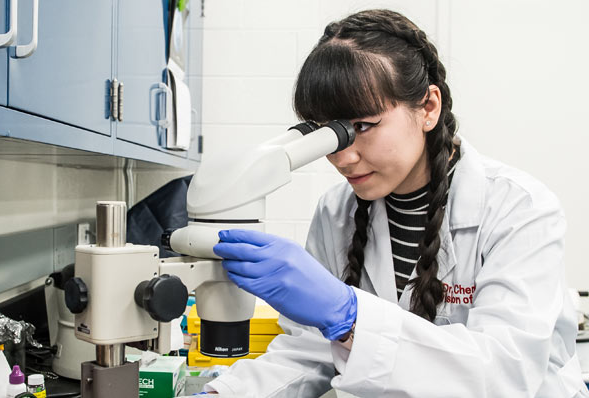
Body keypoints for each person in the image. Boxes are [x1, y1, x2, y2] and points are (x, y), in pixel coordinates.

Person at [201, 9, 589, 398]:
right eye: (328, 135)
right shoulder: (336, 213)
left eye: (364, 126)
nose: (342, 156)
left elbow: (503, 374)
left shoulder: (518, 208)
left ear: (428, 108)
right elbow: (310, 352)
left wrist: (351, 318)